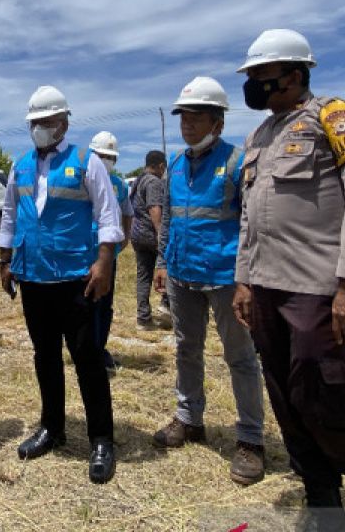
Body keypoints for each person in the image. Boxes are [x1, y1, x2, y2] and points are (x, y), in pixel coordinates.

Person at [229, 29, 345, 532]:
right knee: (285, 398)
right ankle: (321, 495)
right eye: (251, 76)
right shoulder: (258, 137)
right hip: (265, 288)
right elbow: (249, 216)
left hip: (319, 288)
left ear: (294, 74)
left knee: (322, 398)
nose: (253, 85)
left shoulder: (335, 116)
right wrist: (243, 279)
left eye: (261, 75)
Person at [0, 86, 122, 485]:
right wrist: (4, 261)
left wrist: (104, 261)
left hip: (76, 279)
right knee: (45, 355)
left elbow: (108, 213)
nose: (40, 128)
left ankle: (101, 439)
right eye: (35, 122)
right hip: (34, 277)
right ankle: (52, 426)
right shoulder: (20, 166)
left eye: (48, 121)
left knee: (87, 357)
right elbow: (10, 218)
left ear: (64, 122)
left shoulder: (87, 162)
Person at [151, 76, 266, 486]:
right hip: (183, 275)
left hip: (225, 278)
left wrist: (245, 280)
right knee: (186, 349)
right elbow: (166, 219)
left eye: (196, 117)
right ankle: (189, 418)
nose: (187, 124)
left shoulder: (237, 163)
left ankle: (251, 439)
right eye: (184, 117)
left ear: (217, 121)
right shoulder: (176, 166)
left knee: (240, 357)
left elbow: (251, 224)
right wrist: (162, 262)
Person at [88, 131, 133, 374]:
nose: (106, 160)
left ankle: (100, 348)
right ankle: (85, 349)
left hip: (108, 255)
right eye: (102, 155)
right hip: (84, 251)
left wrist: (125, 237)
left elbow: (128, 211)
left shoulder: (119, 185)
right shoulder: (82, 178)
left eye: (110, 157)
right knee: (85, 301)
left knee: (104, 302)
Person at [130, 149, 168, 329]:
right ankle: (166, 306)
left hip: (138, 234)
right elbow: (155, 208)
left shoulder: (139, 180)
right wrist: (161, 232)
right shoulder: (154, 182)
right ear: (161, 166)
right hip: (151, 234)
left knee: (143, 275)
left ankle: (143, 318)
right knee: (169, 268)